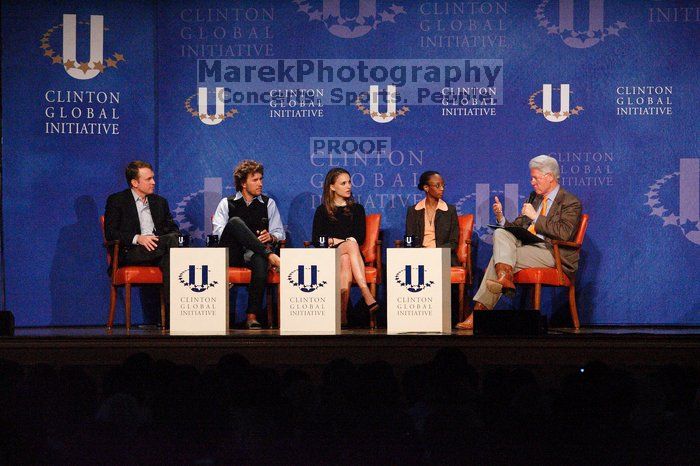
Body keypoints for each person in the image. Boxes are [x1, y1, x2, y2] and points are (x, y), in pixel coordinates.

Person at [456, 155, 583, 330]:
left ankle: (479, 312)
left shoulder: (570, 202)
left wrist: (536, 217)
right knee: (501, 232)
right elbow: (516, 226)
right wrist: (501, 218)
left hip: (553, 253)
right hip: (528, 247)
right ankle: (504, 278)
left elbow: (564, 233)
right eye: (531, 178)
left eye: (535, 178)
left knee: (497, 261)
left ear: (550, 177)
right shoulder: (535, 198)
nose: (532, 182)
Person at [104, 161, 179, 322]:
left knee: (170, 250)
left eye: (153, 178)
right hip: (131, 252)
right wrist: (139, 238)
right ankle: (176, 314)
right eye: (149, 179)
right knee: (171, 245)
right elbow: (111, 232)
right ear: (134, 182)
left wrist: (162, 239)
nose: (153, 182)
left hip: (159, 249)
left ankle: (172, 317)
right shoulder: (117, 200)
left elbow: (173, 228)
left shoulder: (160, 202)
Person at [212, 160, 283, 329]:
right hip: (232, 253)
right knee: (235, 222)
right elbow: (219, 233)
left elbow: (279, 233)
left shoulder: (268, 204)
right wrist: (244, 237)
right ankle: (271, 256)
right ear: (243, 183)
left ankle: (252, 316)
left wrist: (271, 237)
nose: (260, 183)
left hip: (255, 254)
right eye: (255, 180)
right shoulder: (226, 203)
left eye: (261, 179)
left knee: (260, 259)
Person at [312, 168, 379, 326]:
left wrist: (336, 241)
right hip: (329, 257)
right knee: (349, 246)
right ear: (332, 187)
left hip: (350, 256)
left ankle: (342, 316)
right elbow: (316, 239)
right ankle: (366, 292)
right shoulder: (322, 211)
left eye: (349, 182)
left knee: (347, 259)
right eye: (343, 183)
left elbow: (360, 237)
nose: (348, 186)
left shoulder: (357, 209)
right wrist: (337, 241)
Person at [404, 171, 459, 264]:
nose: (442, 189)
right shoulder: (413, 210)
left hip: (442, 257)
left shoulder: (450, 210)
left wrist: (434, 252)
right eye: (437, 186)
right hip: (418, 257)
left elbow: (453, 242)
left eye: (443, 186)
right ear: (426, 187)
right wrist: (417, 253)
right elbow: (409, 239)